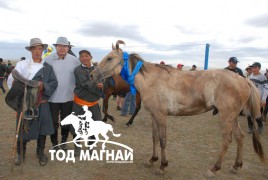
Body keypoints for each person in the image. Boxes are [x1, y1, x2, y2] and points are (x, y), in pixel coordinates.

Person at [7, 38, 57, 165]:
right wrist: (16, 84)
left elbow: (54, 83)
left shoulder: (47, 68)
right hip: (25, 103)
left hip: (42, 102)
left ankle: (40, 152)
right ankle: (20, 153)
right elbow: (11, 81)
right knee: (22, 129)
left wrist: (43, 85)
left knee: (43, 129)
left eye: (39, 49)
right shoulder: (21, 65)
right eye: (34, 49)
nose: (37, 51)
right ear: (30, 50)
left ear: (42, 50)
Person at [44, 37, 80, 151]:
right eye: (59, 46)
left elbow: (81, 75)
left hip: (69, 97)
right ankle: (55, 143)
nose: (62, 48)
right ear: (56, 47)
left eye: (65, 46)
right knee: (53, 122)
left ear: (68, 47)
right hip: (52, 98)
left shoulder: (74, 60)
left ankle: (64, 141)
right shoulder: (49, 59)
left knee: (65, 121)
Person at [71, 49, 103, 156]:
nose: (84, 58)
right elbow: (84, 83)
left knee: (95, 124)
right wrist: (97, 86)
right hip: (80, 102)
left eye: (86, 56)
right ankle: (77, 147)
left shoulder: (98, 69)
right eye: (81, 57)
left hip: (93, 103)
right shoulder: (77, 70)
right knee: (77, 126)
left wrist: (102, 86)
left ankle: (91, 146)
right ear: (80, 59)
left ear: (90, 56)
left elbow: (102, 81)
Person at [247, 62, 267, 134]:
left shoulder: (262, 77)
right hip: (250, 96)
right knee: (249, 113)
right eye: (253, 67)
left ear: (259, 68)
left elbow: (266, 88)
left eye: (255, 67)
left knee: (256, 113)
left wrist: (264, 99)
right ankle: (250, 127)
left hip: (258, 97)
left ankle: (260, 126)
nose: (254, 69)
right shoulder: (250, 76)